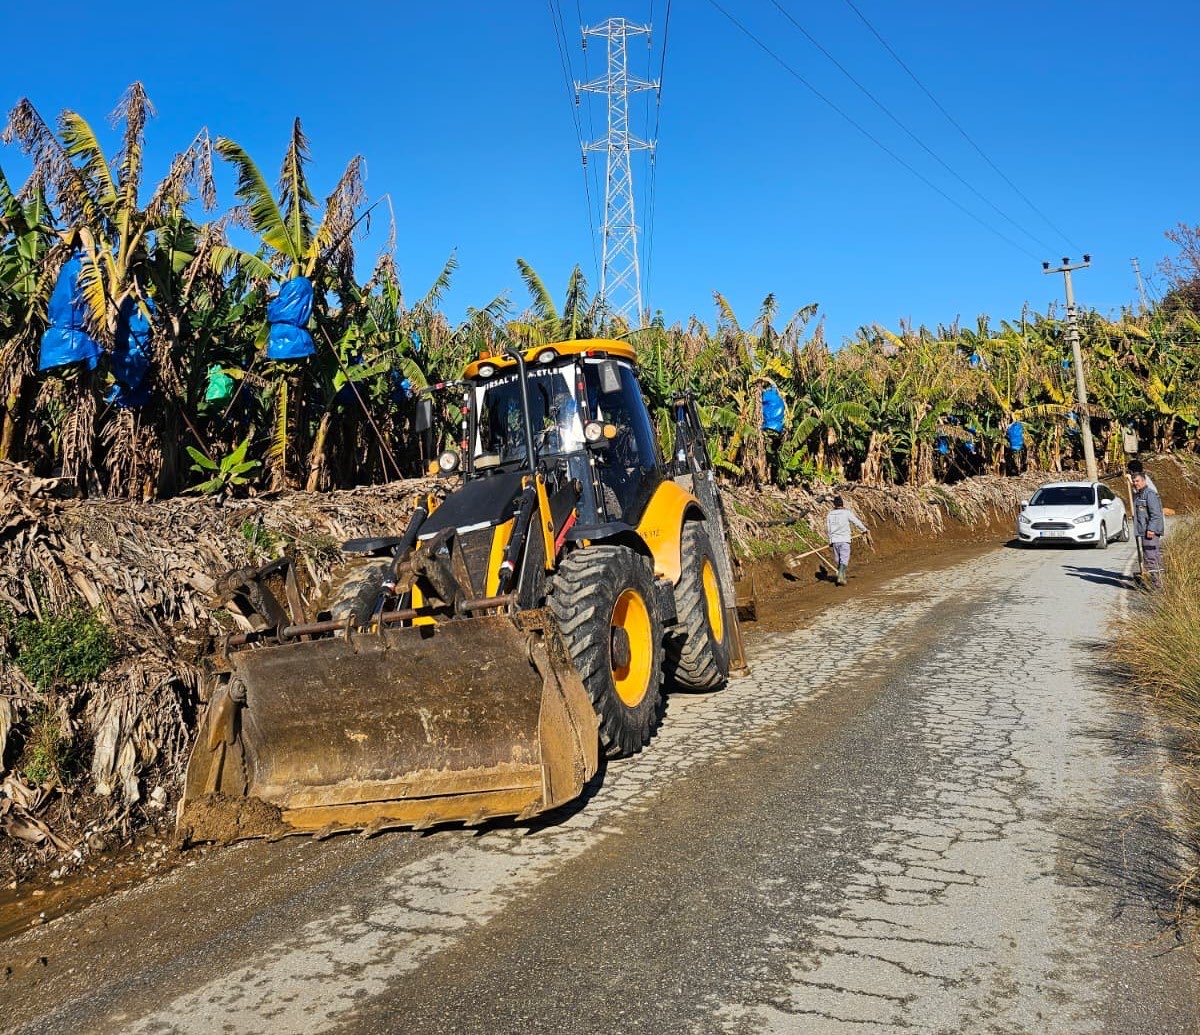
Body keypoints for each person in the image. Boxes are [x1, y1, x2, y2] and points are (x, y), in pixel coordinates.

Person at [825, 495, 869, 586]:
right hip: (844, 539)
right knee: (844, 559)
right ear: (842, 504)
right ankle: (841, 575)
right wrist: (864, 529)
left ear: (834, 505)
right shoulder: (846, 513)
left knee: (838, 559)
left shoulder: (830, 515)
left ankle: (841, 576)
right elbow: (856, 522)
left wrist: (830, 540)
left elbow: (828, 529)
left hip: (835, 541)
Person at [1131, 471, 1165, 588]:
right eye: (1134, 481)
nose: (1135, 483)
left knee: (1151, 557)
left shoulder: (1149, 494)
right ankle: (1158, 582)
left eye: (1138, 481)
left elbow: (1156, 514)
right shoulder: (1138, 495)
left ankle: (1157, 585)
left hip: (1150, 532)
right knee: (1153, 556)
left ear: (1144, 481)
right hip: (1143, 531)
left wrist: (1151, 529)